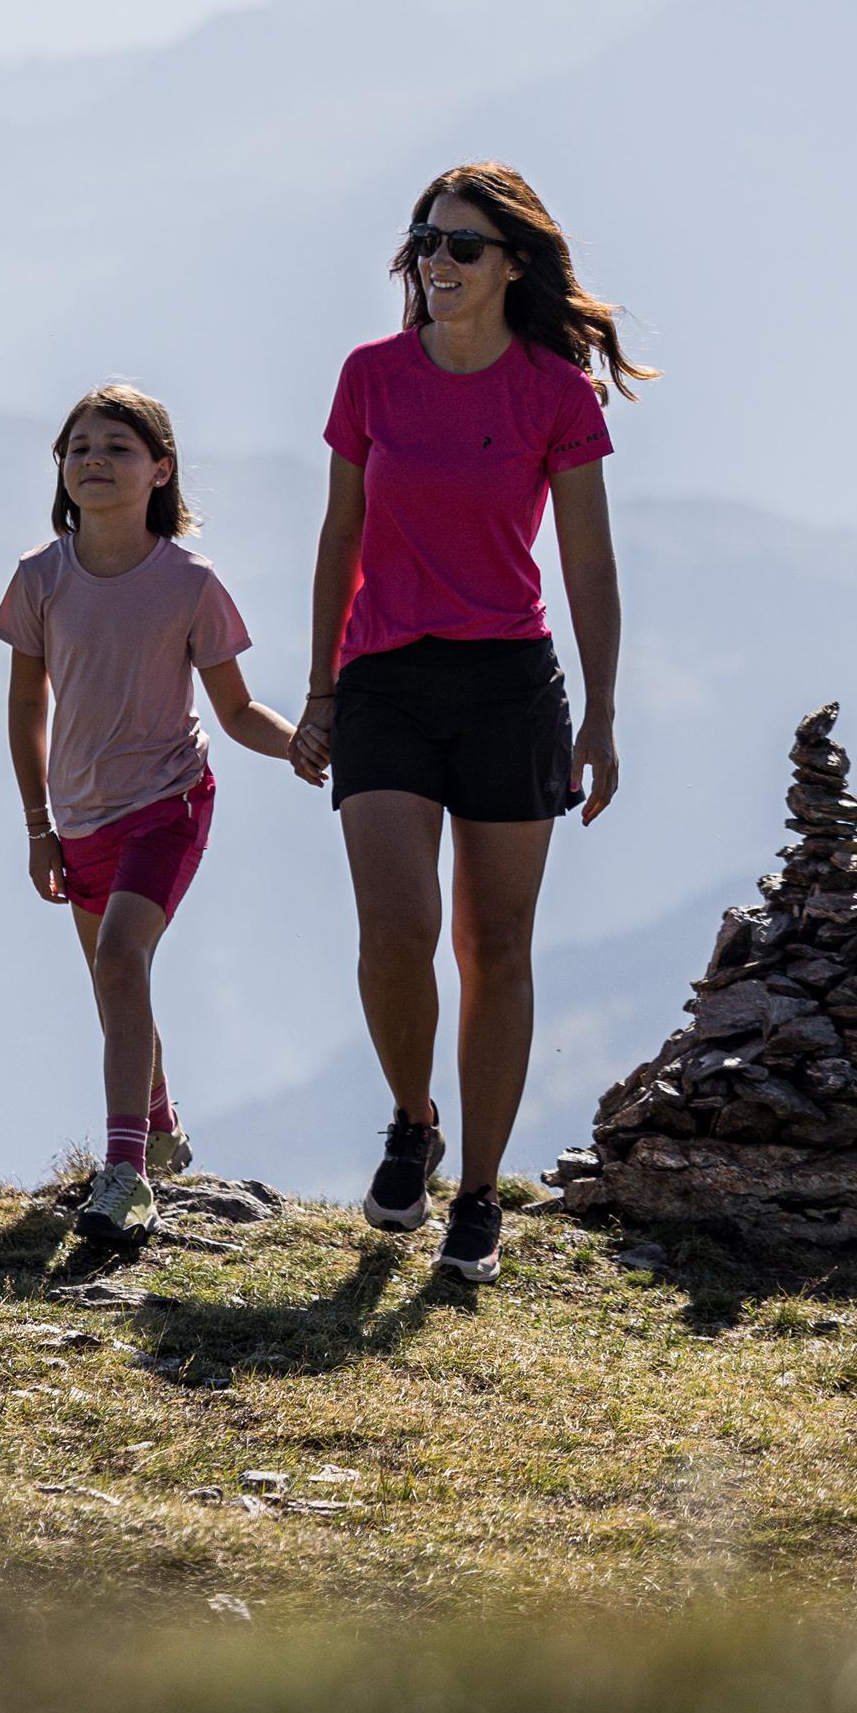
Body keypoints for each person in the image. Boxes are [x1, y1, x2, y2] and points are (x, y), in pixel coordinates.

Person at [289, 164, 651, 1286]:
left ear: (511, 266)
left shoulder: (555, 393)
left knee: (495, 947)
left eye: (461, 245)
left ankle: (481, 1196)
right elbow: (339, 536)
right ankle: (413, 1120)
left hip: (509, 686)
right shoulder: (372, 376)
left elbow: (588, 562)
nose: (436, 262)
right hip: (384, 680)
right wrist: (319, 691)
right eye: (424, 241)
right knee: (396, 929)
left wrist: (601, 714)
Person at [0, 386, 298, 1251]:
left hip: (170, 802)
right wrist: (39, 829)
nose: (94, 459)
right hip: (77, 817)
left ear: (161, 470)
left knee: (121, 959)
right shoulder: (40, 577)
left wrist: (307, 747)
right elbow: (27, 709)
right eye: (79, 447)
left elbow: (237, 712)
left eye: (118, 447)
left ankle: (123, 1175)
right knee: (115, 984)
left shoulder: (190, 583)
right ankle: (160, 1128)